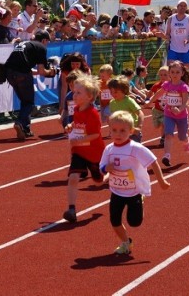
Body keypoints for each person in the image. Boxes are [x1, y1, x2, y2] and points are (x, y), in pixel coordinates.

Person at [99, 110, 170, 254]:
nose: (118, 134)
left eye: (122, 131)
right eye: (114, 130)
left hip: (134, 191)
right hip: (116, 191)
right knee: (115, 220)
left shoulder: (135, 148)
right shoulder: (109, 149)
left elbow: (153, 162)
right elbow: (101, 167)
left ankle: (141, 202)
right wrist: (106, 169)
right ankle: (126, 242)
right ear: (109, 130)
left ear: (131, 131)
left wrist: (161, 181)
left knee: (134, 222)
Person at [62, 74, 106, 223]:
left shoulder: (93, 114)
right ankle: (71, 209)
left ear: (90, 97)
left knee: (98, 182)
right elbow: (77, 123)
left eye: (78, 93)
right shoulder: (77, 108)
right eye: (74, 92)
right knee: (73, 177)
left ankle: (107, 176)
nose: (74, 95)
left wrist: (80, 139)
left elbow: (95, 134)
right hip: (79, 151)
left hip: (94, 152)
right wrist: (70, 126)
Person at [5, 30, 57, 139]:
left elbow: (31, 70)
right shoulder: (41, 47)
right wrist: (52, 72)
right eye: (47, 41)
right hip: (21, 74)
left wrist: (42, 72)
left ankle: (25, 128)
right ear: (44, 40)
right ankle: (19, 123)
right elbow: (42, 72)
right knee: (28, 102)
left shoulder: (24, 44)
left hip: (9, 74)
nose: (47, 44)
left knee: (25, 101)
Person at [148, 60, 189, 167]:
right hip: (168, 114)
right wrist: (149, 101)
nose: (175, 75)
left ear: (182, 73)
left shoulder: (183, 86)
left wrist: (180, 109)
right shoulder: (167, 85)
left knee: (182, 137)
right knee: (168, 135)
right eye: (172, 72)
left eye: (177, 72)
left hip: (181, 115)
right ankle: (167, 156)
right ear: (169, 73)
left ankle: (186, 140)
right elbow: (159, 93)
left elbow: (186, 101)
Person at [108, 76, 144, 144]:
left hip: (132, 133)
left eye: (115, 92)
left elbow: (140, 113)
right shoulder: (112, 103)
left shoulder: (129, 101)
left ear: (124, 90)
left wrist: (139, 127)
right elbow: (113, 117)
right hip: (120, 133)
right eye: (111, 92)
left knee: (133, 151)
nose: (113, 94)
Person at [164, 0, 189, 66]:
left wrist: (188, 40)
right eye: (181, 6)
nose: (182, 7)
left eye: (184, 6)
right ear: (177, 7)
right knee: (171, 69)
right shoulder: (171, 18)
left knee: (186, 71)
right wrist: (163, 36)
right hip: (173, 49)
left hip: (186, 49)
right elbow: (167, 34)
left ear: (186, 8)